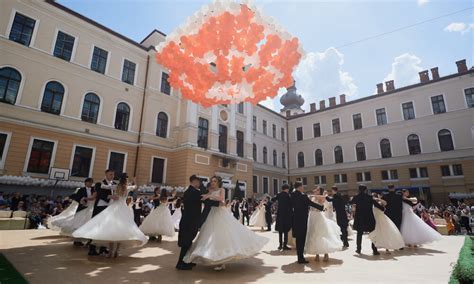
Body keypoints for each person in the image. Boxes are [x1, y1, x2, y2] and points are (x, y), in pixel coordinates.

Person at [183, 176, 268, 271]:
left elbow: (222, 199)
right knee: (211, 237)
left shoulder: (221, 189)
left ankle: (221, 262)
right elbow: (207, 202)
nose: (212, 183)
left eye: (214, 181)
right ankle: (214, 258)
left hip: (220, 214)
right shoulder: (209, 191)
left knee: (222, 236)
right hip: (211, 214)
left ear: (218, 182)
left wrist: (209, 196)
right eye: (211, 181)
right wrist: (206, 197)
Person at [73, 174, 147, 258]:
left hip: (114, 207)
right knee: (121, 230)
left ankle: (111, 251)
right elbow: (135, 186)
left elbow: (104, 186)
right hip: (123, 209)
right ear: (126, 181)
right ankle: (117, 251)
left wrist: (102, 181)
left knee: (111, 228)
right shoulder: (127, 188)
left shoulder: (115, 186)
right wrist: (134, 180)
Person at [176, 175, 221, 270]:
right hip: (190, 221)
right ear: (194, 181)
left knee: (188, 242)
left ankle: (185, 261)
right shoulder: (193, 192)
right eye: (199, 182)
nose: (200, 184)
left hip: (188, 220)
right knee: (186, 243)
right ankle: (180, 263)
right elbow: (206, 201)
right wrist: (218, 204)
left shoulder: (189, 191)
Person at [305, 188, 342, 262]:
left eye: (318, 190)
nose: (315, 190)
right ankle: (317, 254)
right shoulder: (312, 197)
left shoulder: (322, 197)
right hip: (312, 217)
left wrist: (315, 195)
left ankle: (326, 254)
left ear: (320, 191)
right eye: (315, 189)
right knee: (313, 234)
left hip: (318, 216)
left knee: (322, 235)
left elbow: (322, 201)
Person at [291, 182, 324, 264]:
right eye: (302, 186)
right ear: (299, 187)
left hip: (295, 219)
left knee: (298, 239)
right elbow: (311, 203)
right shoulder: (303, 196)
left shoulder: (292, 195)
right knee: (301, 239)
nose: (303, 187)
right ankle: (301, 258)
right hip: (302, 220)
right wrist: (321, 207)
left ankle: (299, 257)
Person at [88, 169, 117, 256]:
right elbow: (100, 194)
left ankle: (103, 248)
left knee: (106, 228)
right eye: (110, 174)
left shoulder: (115, 184)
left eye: (113, 174)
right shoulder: (99, 183)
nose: (112, 176)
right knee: (96, 227)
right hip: (100, 208)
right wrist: (110, 196)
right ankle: (92, 249)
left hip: (110, 209)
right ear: (106, 174)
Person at [350, 185, 380, 255]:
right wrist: (383, 208)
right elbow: (376, 205)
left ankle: (358, 249)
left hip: (360, 218)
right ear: (366, 189)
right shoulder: (369, 197)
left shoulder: (356, 197)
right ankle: (374, 250)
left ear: (359, 190)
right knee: (372, 234)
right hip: (369, 218)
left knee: (359, 234)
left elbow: (350, 202)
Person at [272, 184, 292, 250]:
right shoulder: (288, 195)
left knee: (280, 231)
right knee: (286, 231)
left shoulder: (279, 194)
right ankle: (285, 245)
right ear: (287, 189)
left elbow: (273, 199)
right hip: (286, 215)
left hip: (280, 214)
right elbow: (290, 205)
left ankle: (280, 245)